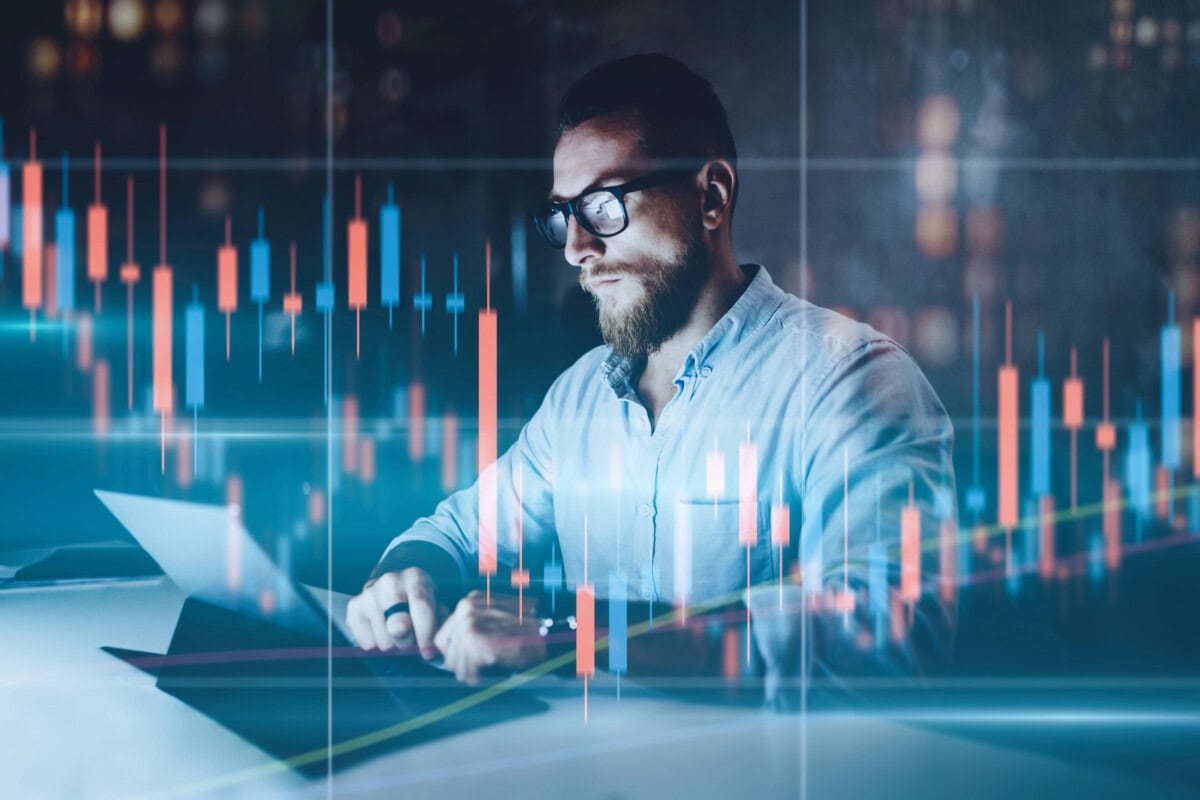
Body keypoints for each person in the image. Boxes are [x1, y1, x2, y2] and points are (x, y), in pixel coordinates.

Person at [347, 53, 956, 691]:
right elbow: (456, 534)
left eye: (603, 206)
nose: (577, 249)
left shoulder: (851, 381)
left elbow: (890, 631)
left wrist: (581, 637)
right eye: (564, 216)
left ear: (711, 197)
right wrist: (405, 580)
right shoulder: (579, 398)